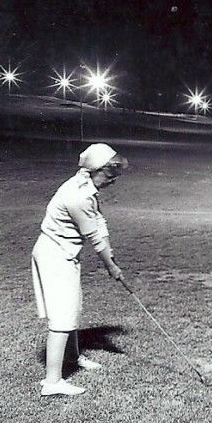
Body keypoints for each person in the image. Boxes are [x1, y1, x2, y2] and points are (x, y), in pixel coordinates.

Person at [32, 143, 128, 397]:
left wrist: (112, 256)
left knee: (72, 309)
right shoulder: (78, 196)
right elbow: (95, 237)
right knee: (62, 318)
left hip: (65, 254)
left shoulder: (85, 186)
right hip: (54, 256)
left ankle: (73, 358)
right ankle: (52, 382)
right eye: (109, 175)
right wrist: (111, 266)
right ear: (94, 170)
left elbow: (99, 220)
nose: (112, 181)